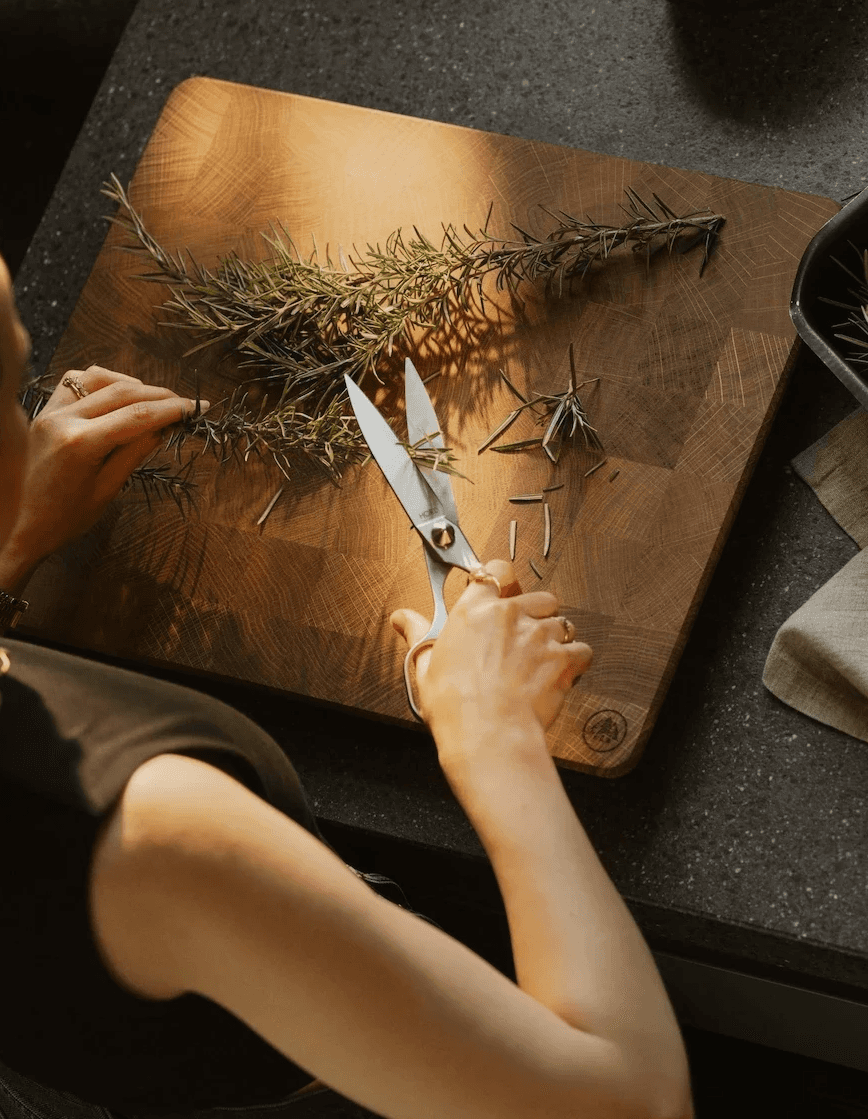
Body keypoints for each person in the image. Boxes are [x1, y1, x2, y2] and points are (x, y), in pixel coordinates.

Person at [0, 251, 694, 1119]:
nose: (34, 427)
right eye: (12, 389)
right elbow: (632, 1103)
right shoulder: (146, 826)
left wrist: (7, 553)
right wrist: (496, 742)